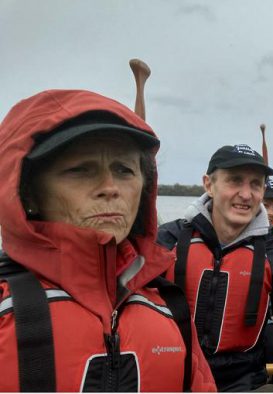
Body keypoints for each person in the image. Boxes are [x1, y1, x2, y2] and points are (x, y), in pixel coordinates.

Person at [0, 89, 216, 391]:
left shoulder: (170, 307)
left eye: (124, 170)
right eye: (80, 170)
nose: (110, 188)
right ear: (29, 191)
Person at [157, 145, 273, 392]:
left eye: (255, 184)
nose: (246, 194)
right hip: (173, 377)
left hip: (244, 383)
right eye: (234, 181)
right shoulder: (168, 240)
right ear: (208, 184)